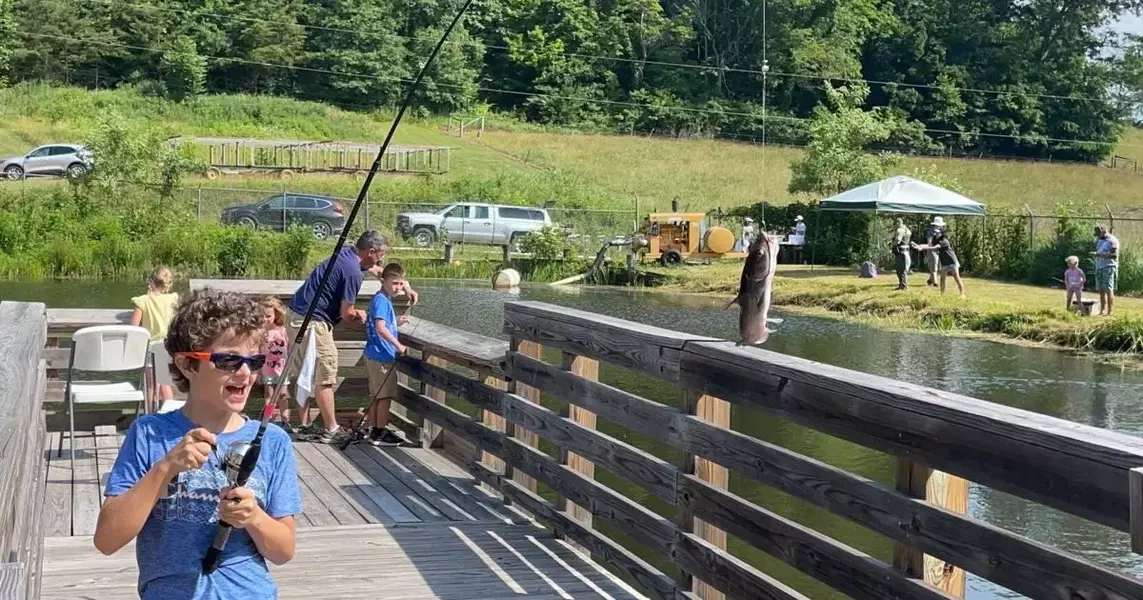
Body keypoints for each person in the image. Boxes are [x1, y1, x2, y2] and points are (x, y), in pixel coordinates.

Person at [94, 289, 302, 599]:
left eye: (254, 361)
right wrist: (165, 468)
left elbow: (284, 551)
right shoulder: (149, 434)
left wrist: (254, 517)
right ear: (187, 364)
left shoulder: (273, 441)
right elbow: (107, 540)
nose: (245, 373)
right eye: (229, 360)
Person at [284, 230, 417, 445]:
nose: (381, 259)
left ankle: (305, 426)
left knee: (305, 374)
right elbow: (347, 313)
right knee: (325, 374)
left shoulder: (347, 255)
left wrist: (405, 285)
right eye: (380, 254)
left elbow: (376, 270)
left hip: (296, 315)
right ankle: (332, 429)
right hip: (313, 322)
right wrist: (360, 315)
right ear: (371, 251)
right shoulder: (353, 273)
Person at [363, 262, 412, 446]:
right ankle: (380, 432)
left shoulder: (381, 299)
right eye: (394, 283)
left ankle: (376, 430)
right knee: (384, 397)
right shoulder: (382, 301)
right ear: (383, 281)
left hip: (374, 355)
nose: (398, 287)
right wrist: (399, 345)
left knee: (377, 395)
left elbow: (385, 324)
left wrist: (397, 321)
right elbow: (380, 328)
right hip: (381, 356)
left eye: (401, 284)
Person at [132, 265, 180, 410]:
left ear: (151, 282)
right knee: (165, 383)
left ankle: (149, 413)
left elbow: (133, 328)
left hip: (151, 348)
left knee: (151, 384)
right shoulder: (173, 299)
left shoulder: (142, 301)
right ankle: (170, 413)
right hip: (168, 347)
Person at [259, 296, 300, 432]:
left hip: (282, 368)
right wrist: (258, 371)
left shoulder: (283, 330)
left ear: (276, 314)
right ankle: (267, 420)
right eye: (263, 316)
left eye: (268, 316)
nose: (265, 319)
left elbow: (290, 347)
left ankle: (285, 420)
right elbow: (258, 351)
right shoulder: (262, 332)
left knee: (283, 394)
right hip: (267, 369)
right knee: (268, 395)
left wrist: (292, 366)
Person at [912, 229, 965, 298]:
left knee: (956, 278)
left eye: (936, 233)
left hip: (952, 262)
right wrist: (920, 246)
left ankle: (962, 294)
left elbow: (934, 247)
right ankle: (942, 295)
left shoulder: (944, 241)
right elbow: (929, 245)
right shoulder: (937, 240)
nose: (935, 234)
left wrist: (923, 249)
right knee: (942, 279)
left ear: (940, 234)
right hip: (944, 263)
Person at [1092, 225, 1119, 316]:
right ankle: (1102, 310)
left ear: (1103, 231)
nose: (1097, 236)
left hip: (1108, 267)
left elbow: (1114, 255)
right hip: (1099, 267)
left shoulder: (1112, 241)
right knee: (1101, 289)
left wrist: (1100, 255)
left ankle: (1110, 311)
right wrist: (1096, 255)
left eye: (1098, 234)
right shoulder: (1100, 240)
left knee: (1108, 289)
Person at [923, 217, 945, 287]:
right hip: (932, 249)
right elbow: (929, 242)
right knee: (934, 266)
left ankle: (930, 280)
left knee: (939, 267)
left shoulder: (941, 231)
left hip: (939, 250)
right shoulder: (930, 231)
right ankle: (935, 282)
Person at [891, 218, 912, 290]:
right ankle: (902, 285)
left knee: (900, 270)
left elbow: (897, 241)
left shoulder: (899, 230)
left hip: (901, 251)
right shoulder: (908, 230)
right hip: (906, 251)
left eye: (895, 224)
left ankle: (904, 286)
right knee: (903, 269)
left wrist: (892, 244)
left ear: (897, 223)